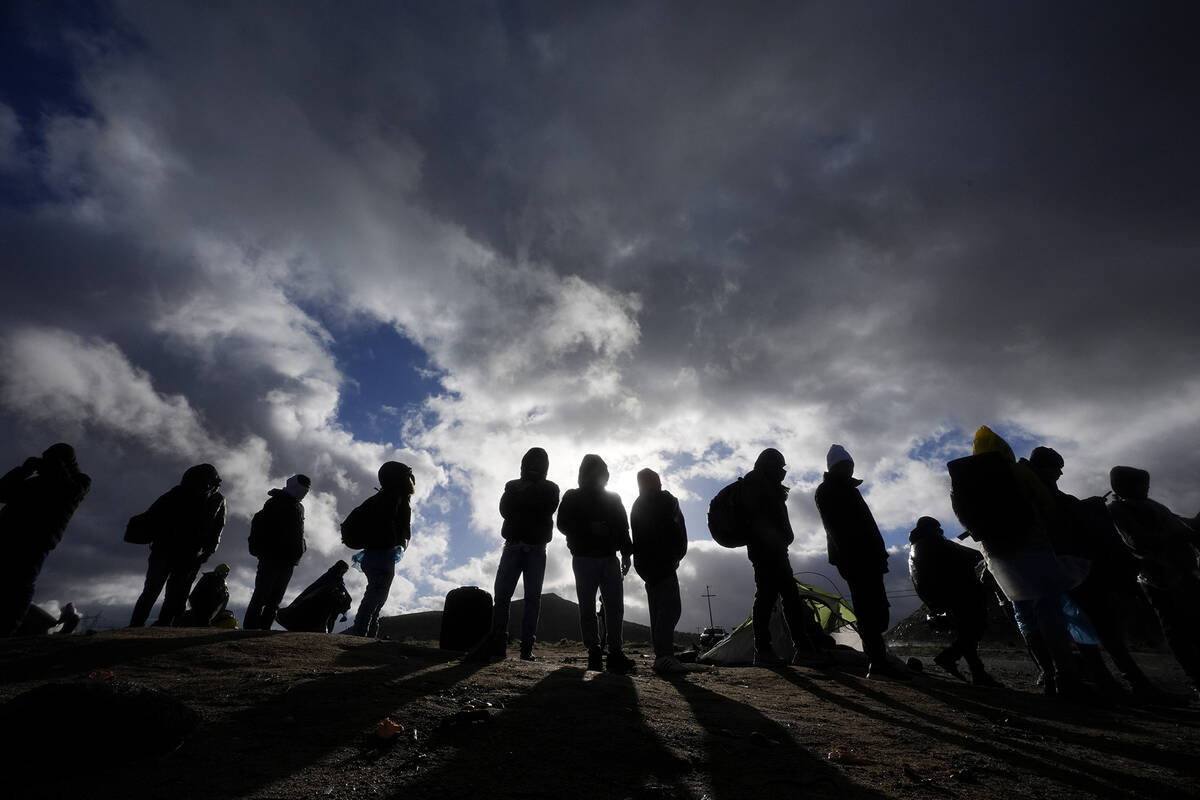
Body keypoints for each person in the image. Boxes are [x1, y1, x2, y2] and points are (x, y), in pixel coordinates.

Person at [954, 427, 1086, 698]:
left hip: (997, 556)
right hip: (1033, 547)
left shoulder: (965, 478)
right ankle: (1066, 676)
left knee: (1024, 616)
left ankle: (1047, 676)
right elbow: (1046, 505)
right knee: (1049, 610)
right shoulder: (1017, 470)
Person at [1029, 448, 1168, 700]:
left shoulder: (1036, 491)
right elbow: (1059, 522)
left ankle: (1109, 681)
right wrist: (1087, 506)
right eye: (1055, 467)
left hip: (1061, 570)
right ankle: (1129, 683)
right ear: (1043, 468)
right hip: (1072, 570)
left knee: (1088, 628)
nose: (1060, 472)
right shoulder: (1039, 494)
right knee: (1102, 627)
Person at [1108, 466, 1200, 701]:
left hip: (1184, 574)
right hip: (1159, 580)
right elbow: (1137, 541)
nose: (1147, 488)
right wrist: (1184, 536)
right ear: (1126, 485)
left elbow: (1182, 524)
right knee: (1178, 631)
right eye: (1141, 484)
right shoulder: (1118, 509)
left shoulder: (1152, 506)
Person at [815, 445, 907, 680]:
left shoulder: (849, 490)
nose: (849, 468)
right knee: (868, 609)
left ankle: (877, 658)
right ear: (835, 467)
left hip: (869, 558)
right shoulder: (827, 491)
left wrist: (880, 554)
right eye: (844, 465)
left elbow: (868, 526)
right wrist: (850, 558)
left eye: (850, 465)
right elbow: (836, 529)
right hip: (855, 559)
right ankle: (876, 662)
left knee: (878, 609)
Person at [740, 448, 825, 667]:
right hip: (766, 552)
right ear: (769, 466)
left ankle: (799, 649)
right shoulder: (757, 486)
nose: (782, 472)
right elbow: (759, 521)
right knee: (769, 599)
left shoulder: (767, 486)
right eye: (779, 467)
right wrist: (775, 540)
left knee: (786, 599)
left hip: (776, 551)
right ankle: (767, 651)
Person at [0, 443, 92, 636]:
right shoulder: (34, 481)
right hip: (7, 534)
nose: (45, 460)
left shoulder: (79, 481)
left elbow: (68, 491)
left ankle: (7, 631)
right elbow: (2, 492)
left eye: (50, 457)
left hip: (36, 541)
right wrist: (23, 471)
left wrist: (53, 467)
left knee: (20, 586)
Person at [557, 454, 636, 674]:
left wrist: (627, 553)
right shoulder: (572, 496)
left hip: (609, 558)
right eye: (600, 471)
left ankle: (614, 652)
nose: (602, 475)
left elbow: (623, 527)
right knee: (589, 607)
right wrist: (589, 528)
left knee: (614, 607)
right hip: (584, 557)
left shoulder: (613, 498)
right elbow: (562, 524)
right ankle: (595, 651)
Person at [481, 447, 560, 661]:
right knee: (504, 597)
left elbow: (546, 508)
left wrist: (523, 497)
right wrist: (530, 499)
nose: (534, 466)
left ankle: (525, 649)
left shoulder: (548, 488)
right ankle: (501, 644)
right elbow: (505, 510)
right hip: (515, 546)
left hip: (532, 548)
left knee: (530, 599)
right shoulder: (514, 486)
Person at [128, 464, 226, 627]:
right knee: (171, 593)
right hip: (185, 552)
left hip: (169, 550)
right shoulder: (215, 499)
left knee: (156, 591)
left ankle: (138, 625)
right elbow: (217, 528)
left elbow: (153, 516)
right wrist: (208, 552)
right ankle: (161, 625)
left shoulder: (178, 493)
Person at [907, 516, 1000, 686]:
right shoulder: (933, 541)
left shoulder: (917, 547)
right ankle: (951, 659)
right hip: (958, 593)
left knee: (967, 631)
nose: (941, 531)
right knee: (974, 629)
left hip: (942, 596)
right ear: (933, 528)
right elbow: (972, 555)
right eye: (938, 528)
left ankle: (977, 672)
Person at [345, 462, 414, 638]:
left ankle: (367, 634)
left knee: (377, 596)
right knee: (375, 596)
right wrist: (395, 542)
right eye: (407, 476)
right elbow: (388, 526)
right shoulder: (392, 498)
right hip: (381, 554)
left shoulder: (385, 497)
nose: (411, 480)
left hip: (374, 554)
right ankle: (361, 634)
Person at [631, 468, 688, 675]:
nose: (660, 483)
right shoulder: (664, 501)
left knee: (658, 611)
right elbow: (673, 529)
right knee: (671, 609)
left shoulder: (638, 504)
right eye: (655, 480)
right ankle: (664, 656)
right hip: (662, 563)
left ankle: (661, 656)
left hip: (647, 565)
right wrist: (675, 556)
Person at [244, 474, 311, 630]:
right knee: (261, 595)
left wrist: (301, 547)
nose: (304, 493)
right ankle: (250, 628)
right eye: (303, 490)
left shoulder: (298, 506)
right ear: (294, 487)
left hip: (289, 560)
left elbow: (297, 532)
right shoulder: (275, 503)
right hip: (271, 558)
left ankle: (263, 628)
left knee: (275, 598)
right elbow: (262, 528)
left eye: (306, 491)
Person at [277, 560, 353, 633]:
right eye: (343, 571)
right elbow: (318, 589)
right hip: (316, 602)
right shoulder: (331, 577)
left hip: (324, 604)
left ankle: (320, 626)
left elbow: (344, 593)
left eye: (344, 572)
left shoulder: (337, 580)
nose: (343, 573)